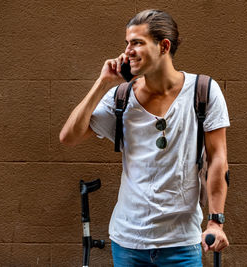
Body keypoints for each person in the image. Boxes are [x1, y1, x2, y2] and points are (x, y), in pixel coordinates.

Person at [60, 9, 230, 266]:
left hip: (181, 243)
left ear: (163, 46)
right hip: (129, 242)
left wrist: (215, 221)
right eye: (127, 43)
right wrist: (102, 83)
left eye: (137, 42)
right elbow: (68, 137)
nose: (128, 50)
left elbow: (218, 158)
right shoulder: (121, 97)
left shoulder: (203, 91)